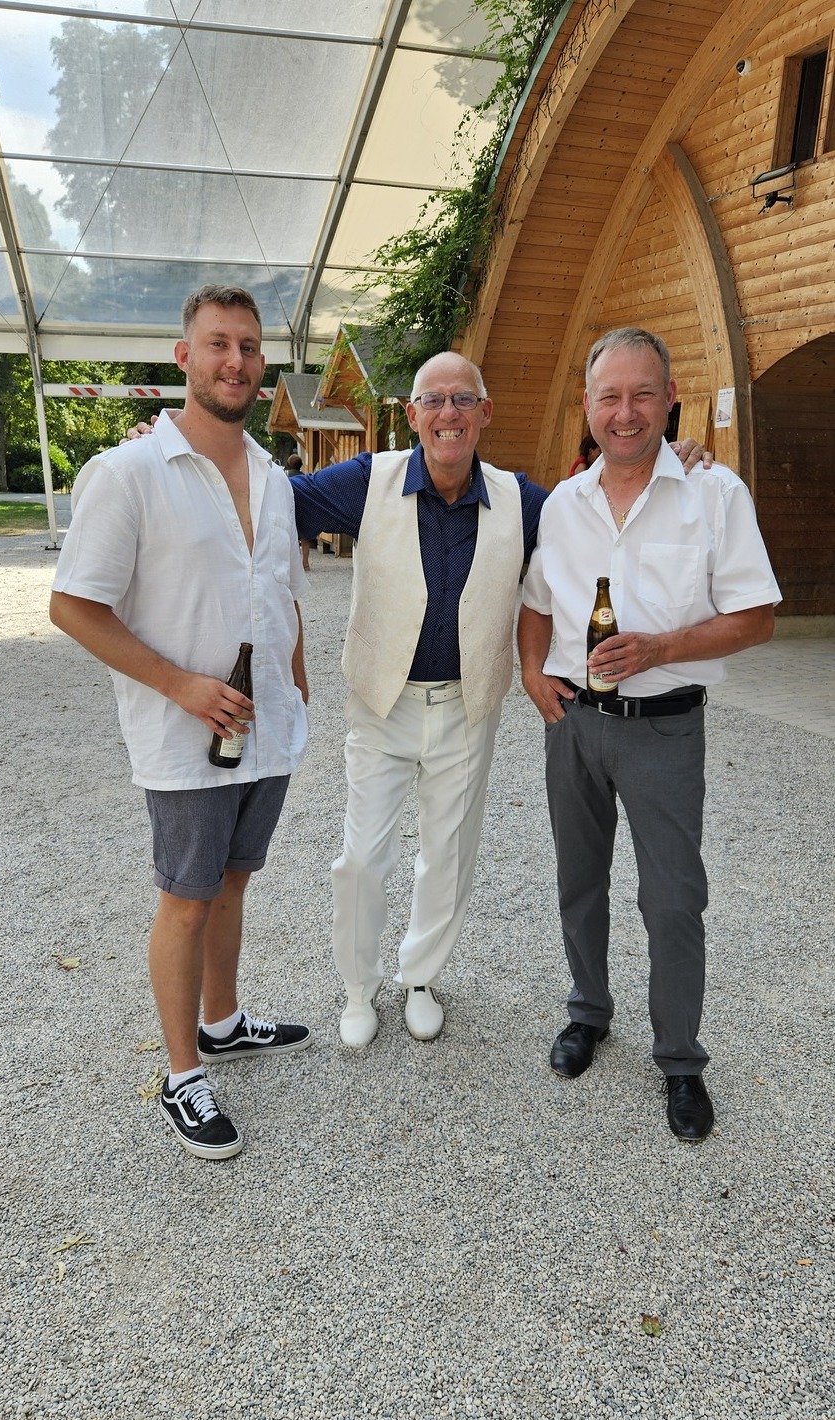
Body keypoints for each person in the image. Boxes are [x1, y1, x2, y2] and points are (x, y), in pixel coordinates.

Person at [129, 353, 709, 1053]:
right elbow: (260, 496)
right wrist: (174, 456)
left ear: (484, 413)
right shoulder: (366, 481)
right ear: (412, 415)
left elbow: (599, 506)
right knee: (360, 858)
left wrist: (669, 457)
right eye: (433, 400)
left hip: (468, 704)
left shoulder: (525, 500)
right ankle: (357, 987)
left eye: (463, 400)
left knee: (449, 853)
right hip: (383, 703)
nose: (448, 414)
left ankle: (422, 978)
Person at [50, 285, 312, 1162]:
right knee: (186, 899)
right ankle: (180, 1074)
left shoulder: (273, 477)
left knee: (233, 883)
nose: (234, 361)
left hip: (264, 730)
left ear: (262, 363)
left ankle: (223, 1023)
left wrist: (298, 690)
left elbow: (284, 595)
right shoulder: (129, 472)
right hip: (183, 735)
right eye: (218, 344)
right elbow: (72, 606)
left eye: (248, 346)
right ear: (184, 357)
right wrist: (182, 687)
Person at [517, 327, 781, 1141]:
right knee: (578, 882)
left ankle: (679, 1061)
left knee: (672, 901)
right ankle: (587, 1013)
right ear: (586, 406)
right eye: (609, 397)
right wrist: (531, 671)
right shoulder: (563, 503)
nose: (624, 412)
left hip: (664, 729)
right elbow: (534, 604)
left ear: (670, 400)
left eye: (641, 395)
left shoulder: (714, 493)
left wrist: (660, 649)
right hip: (574, 725)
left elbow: (756, 618)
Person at [286, 452, 313, 569]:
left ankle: (295, 564)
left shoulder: (285, 477)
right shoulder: (305, 477)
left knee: (293, 537)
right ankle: (305, 563)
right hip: (303, 509)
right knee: (305, 538)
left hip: (290, 509)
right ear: (300, 465)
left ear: (288, 464)